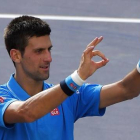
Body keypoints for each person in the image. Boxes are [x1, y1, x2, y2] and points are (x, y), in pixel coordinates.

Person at [0, 15, 140, 140]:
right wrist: (77, 78)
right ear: (16, 55)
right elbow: (27, 112)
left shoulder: (67, 96)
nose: (48, 58)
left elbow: (126, 89)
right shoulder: (3, 96)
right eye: (39, 51)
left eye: (49, 49)